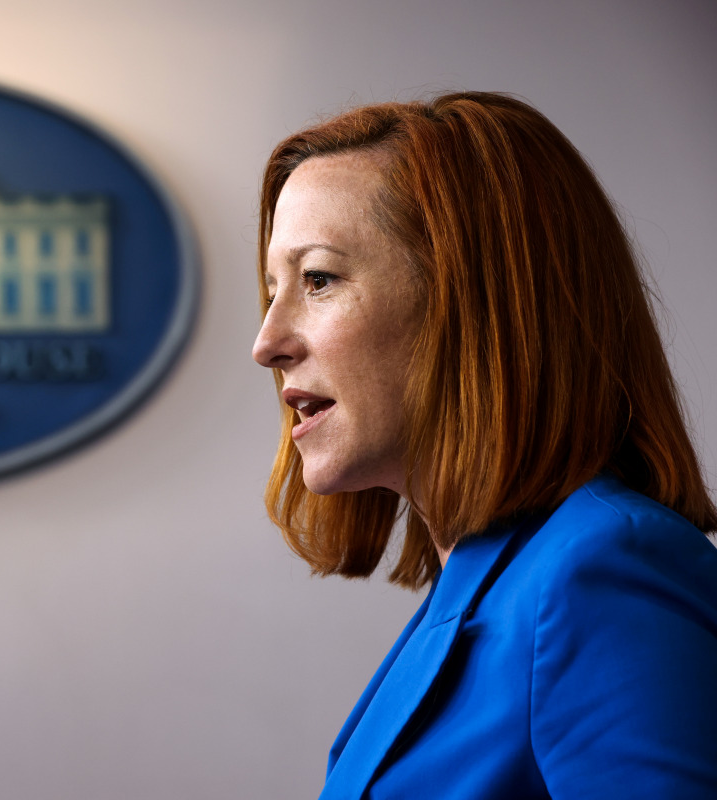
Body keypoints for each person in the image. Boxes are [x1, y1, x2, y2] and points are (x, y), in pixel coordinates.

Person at [251, 92, 717, 799]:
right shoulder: (487, 582)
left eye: (318, 279)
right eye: (272, 290)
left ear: (471, 301)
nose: (267, 343)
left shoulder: (598, 574)